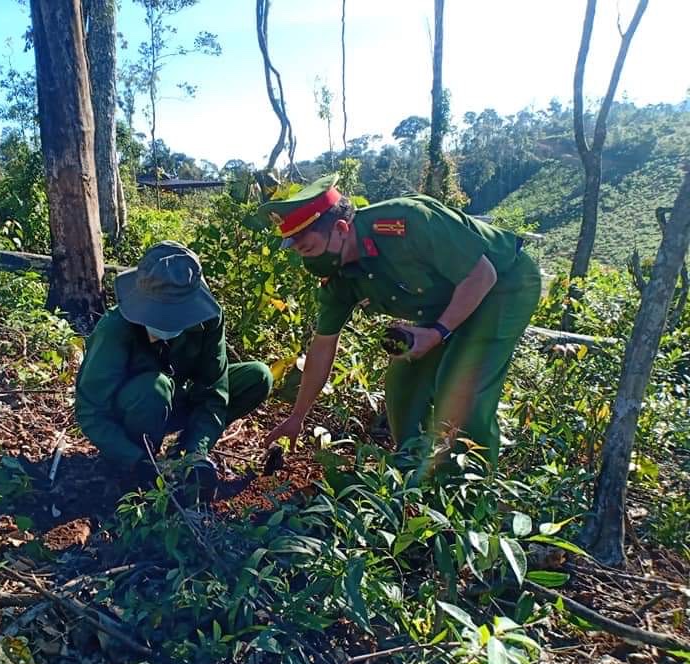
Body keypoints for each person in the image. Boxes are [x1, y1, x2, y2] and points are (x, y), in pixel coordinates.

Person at [260, 174, 541, 474]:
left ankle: (468, 493)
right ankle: (412, 468)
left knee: (461, 392)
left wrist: (437, 333)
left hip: (502, 285)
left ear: (342, 229)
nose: (309, 264)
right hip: (447, 300)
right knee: (402, 381)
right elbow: (322, 346)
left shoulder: (408, 223)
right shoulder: (338, 274)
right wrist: (296, 417)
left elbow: (482, 276)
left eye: (310, 250)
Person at [75, 241, 273, 491]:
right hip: (133, 410)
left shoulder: (208, 319)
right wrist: (136, 460)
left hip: (172, 402)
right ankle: (139, 463)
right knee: (154, 388)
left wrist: (194, 453)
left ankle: (179, 457)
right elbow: (91, 411)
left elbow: (213, 392)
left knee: (258, 376)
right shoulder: (115, 328)